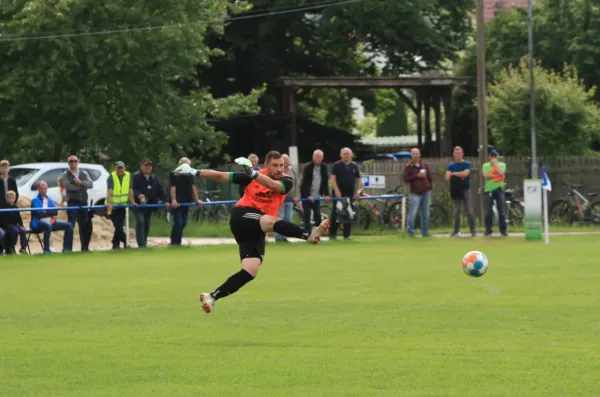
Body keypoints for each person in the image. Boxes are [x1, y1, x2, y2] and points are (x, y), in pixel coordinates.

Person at [173, 151, 330, 314]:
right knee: (271, 221)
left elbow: (274, 186)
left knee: (250, 270)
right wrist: (193, 172)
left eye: (281, 165)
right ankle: (308, 235)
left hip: (257, 228)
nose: (279, 169)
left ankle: (212, 296)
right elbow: (221, 176)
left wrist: (253, 174)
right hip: (242, 216)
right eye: (275, 165)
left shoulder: (286, 180)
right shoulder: (251, 175)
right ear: (266, 166)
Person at [60, 155, 93, 251]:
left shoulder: (84, 173)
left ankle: (85, 247)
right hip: (72, 202)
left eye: (75, 161)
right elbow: (68, 186)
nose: (73, 163)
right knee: (70, 225)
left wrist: (80, 182)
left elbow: (90, 184)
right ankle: (67, 248)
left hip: (83, 202)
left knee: (84, 226)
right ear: (68, 163)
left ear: (78, 162)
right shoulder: (65, 174)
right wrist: (82, 186)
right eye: (71, 161)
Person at [133, 159, 169, 248]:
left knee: (146, 224)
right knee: (140, 222)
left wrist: (165, 200)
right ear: (141, 166)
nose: (148, 167)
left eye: (149, 165)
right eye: (146, 165)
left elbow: (160, 190)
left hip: (150, 205)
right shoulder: (136, 177)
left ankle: (144, 242)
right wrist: (139, 195)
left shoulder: (155, 178)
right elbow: (131, 190)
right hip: (138, 205)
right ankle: (141, 245)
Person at [30, 181, 74, 253]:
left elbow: (55, 211)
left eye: (45, 189)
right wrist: (49, 212)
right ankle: (46, 249)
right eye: (42, 189)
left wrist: (45, 212)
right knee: (47, 226)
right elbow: (38, 214)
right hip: (38, 223)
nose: (44, 191)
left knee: (69, 225)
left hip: (51, 221)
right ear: (38, 189)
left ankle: (67, 248)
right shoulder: (35, 200)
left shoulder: (49, 199)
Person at [329, 147, 361, 240]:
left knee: (349, 213)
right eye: (344, 153)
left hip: (350, 194)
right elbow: (333, 179)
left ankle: (346, 235)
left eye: (348, 153)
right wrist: (337, 190)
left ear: (351, 155)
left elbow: (359, 180)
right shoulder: (337, 165)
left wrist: (358, 192)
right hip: (338, 195)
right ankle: (332, 235)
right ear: (341, 155)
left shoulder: (354, 166)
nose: (346, 155)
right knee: (336, 214)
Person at [169, 157, 202, 246]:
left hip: (186, 201)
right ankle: (175, 242)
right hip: (177, 202)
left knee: (183, 222)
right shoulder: (174, 174)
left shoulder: (190, 174)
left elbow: (193, 187)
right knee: (178, 222)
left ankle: (176, 240)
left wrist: (197, 199)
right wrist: (174, 200)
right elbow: (173, 187)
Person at [445, 146, 476, 237]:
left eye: (459, 153)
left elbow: (466, 173)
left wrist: (454, 174)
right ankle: (455, 230)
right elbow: (447, 177)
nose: (458, 155)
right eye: (456, 153)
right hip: (455, 190)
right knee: (456, 211)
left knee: (469, 210)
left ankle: (473, 229)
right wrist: (460, 174)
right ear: (454, 155)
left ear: (462, 154)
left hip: (465, 189)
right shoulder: (451, 165)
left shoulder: (467, 164)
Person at [403, 148, 433, 237]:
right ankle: (410, 232)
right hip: (415, 193)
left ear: (420, 155)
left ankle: (425, 232)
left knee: (426, 213)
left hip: (426, 192)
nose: (416, 156)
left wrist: (429, 186)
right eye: (414, 154)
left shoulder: (424, 165)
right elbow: (405, 179)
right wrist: (417, 176)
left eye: (417, 154)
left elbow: (430, 177)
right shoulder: (408, 167)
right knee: (413, 213)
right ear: (411, 155)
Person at [106, 161, 136, 249]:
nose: (120, 170)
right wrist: (108, 203)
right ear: (115, 169)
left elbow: (130, 190)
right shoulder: (111, 176)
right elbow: (110, 190)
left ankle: (115, 245)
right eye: (118, 168)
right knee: (118, 226)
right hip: (113, 206)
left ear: (124, 168)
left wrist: (133, 201)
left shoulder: (128, 176)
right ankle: (126, 242)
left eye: (121, 168)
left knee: (119, 226)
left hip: (123, 206)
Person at [300, 149, 330, 233]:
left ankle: (317, 232)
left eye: (320, 156)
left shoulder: (323, 167)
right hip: (307, 195)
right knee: (307, 214)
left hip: (317, 195)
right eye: (316, 156)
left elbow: (325, 182)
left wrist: (326, 194)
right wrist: (308, 195)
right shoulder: (308, 167)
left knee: (317, 215)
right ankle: (307, 232)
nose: (318, 158)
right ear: (313, 157)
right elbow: (304, 183)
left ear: (322, 158)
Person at [273, 154, 301, 243]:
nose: (286, 162)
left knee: (288, 219)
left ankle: (284, 236)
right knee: (279, 218)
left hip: (290, 200)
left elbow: (296, 183)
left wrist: (296, 196)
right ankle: (278, 237)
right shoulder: (277, 171)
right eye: (284, 160)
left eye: (287, 160)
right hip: (280, 199)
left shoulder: (292, 170)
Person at [482, 149, 508, 236]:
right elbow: (486, 175)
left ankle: (503, 231)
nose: (494, 157)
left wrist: (496, 164)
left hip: (499, 189)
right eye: (492, 156)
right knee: (488, 211)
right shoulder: (485, 165)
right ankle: (488, 230)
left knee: (501, 210)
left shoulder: (502, 164)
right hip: (489, 189)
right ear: (489, 156)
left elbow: (502, 172)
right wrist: (498, 175)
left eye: (495, 156)